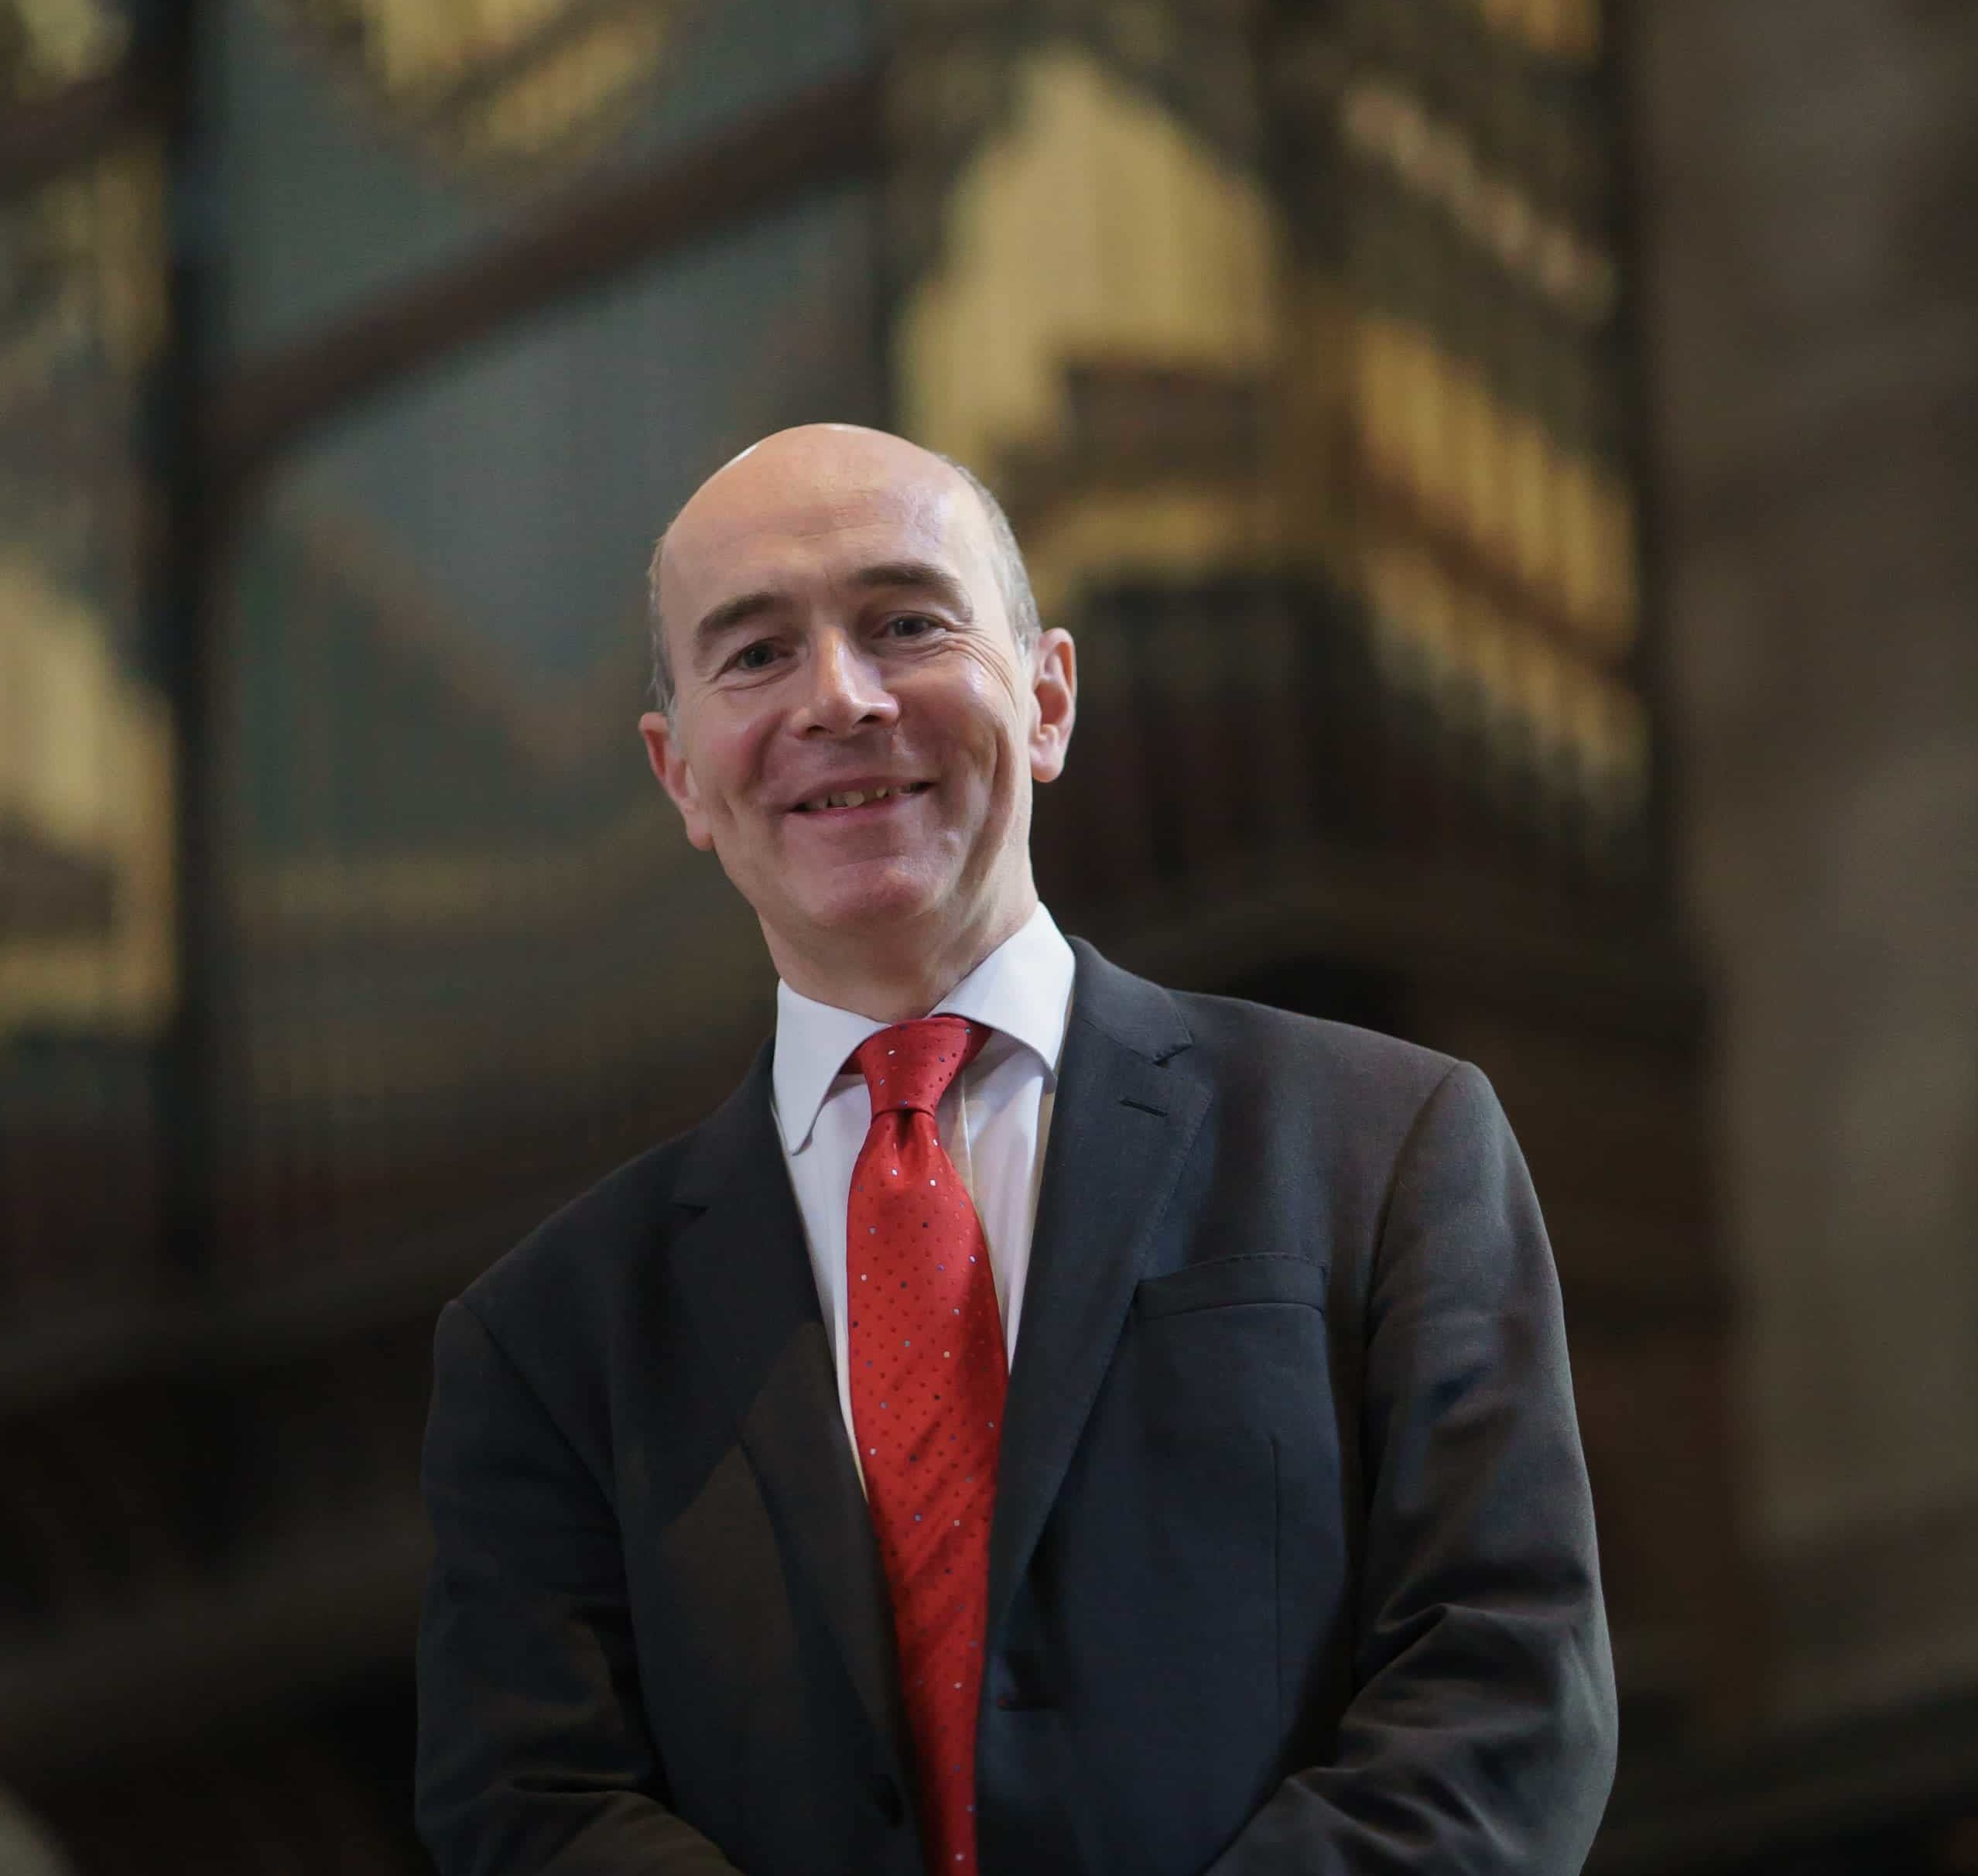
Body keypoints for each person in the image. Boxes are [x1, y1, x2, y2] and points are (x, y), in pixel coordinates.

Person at [414, 424, 1616, 1876]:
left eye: (906, 623)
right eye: (756, 656)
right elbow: (533, 1811)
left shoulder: (1384, 1143)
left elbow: (1506, 1684)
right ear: (680, 777)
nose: (840, 699)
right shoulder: (546, 1341)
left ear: (1046, 699)